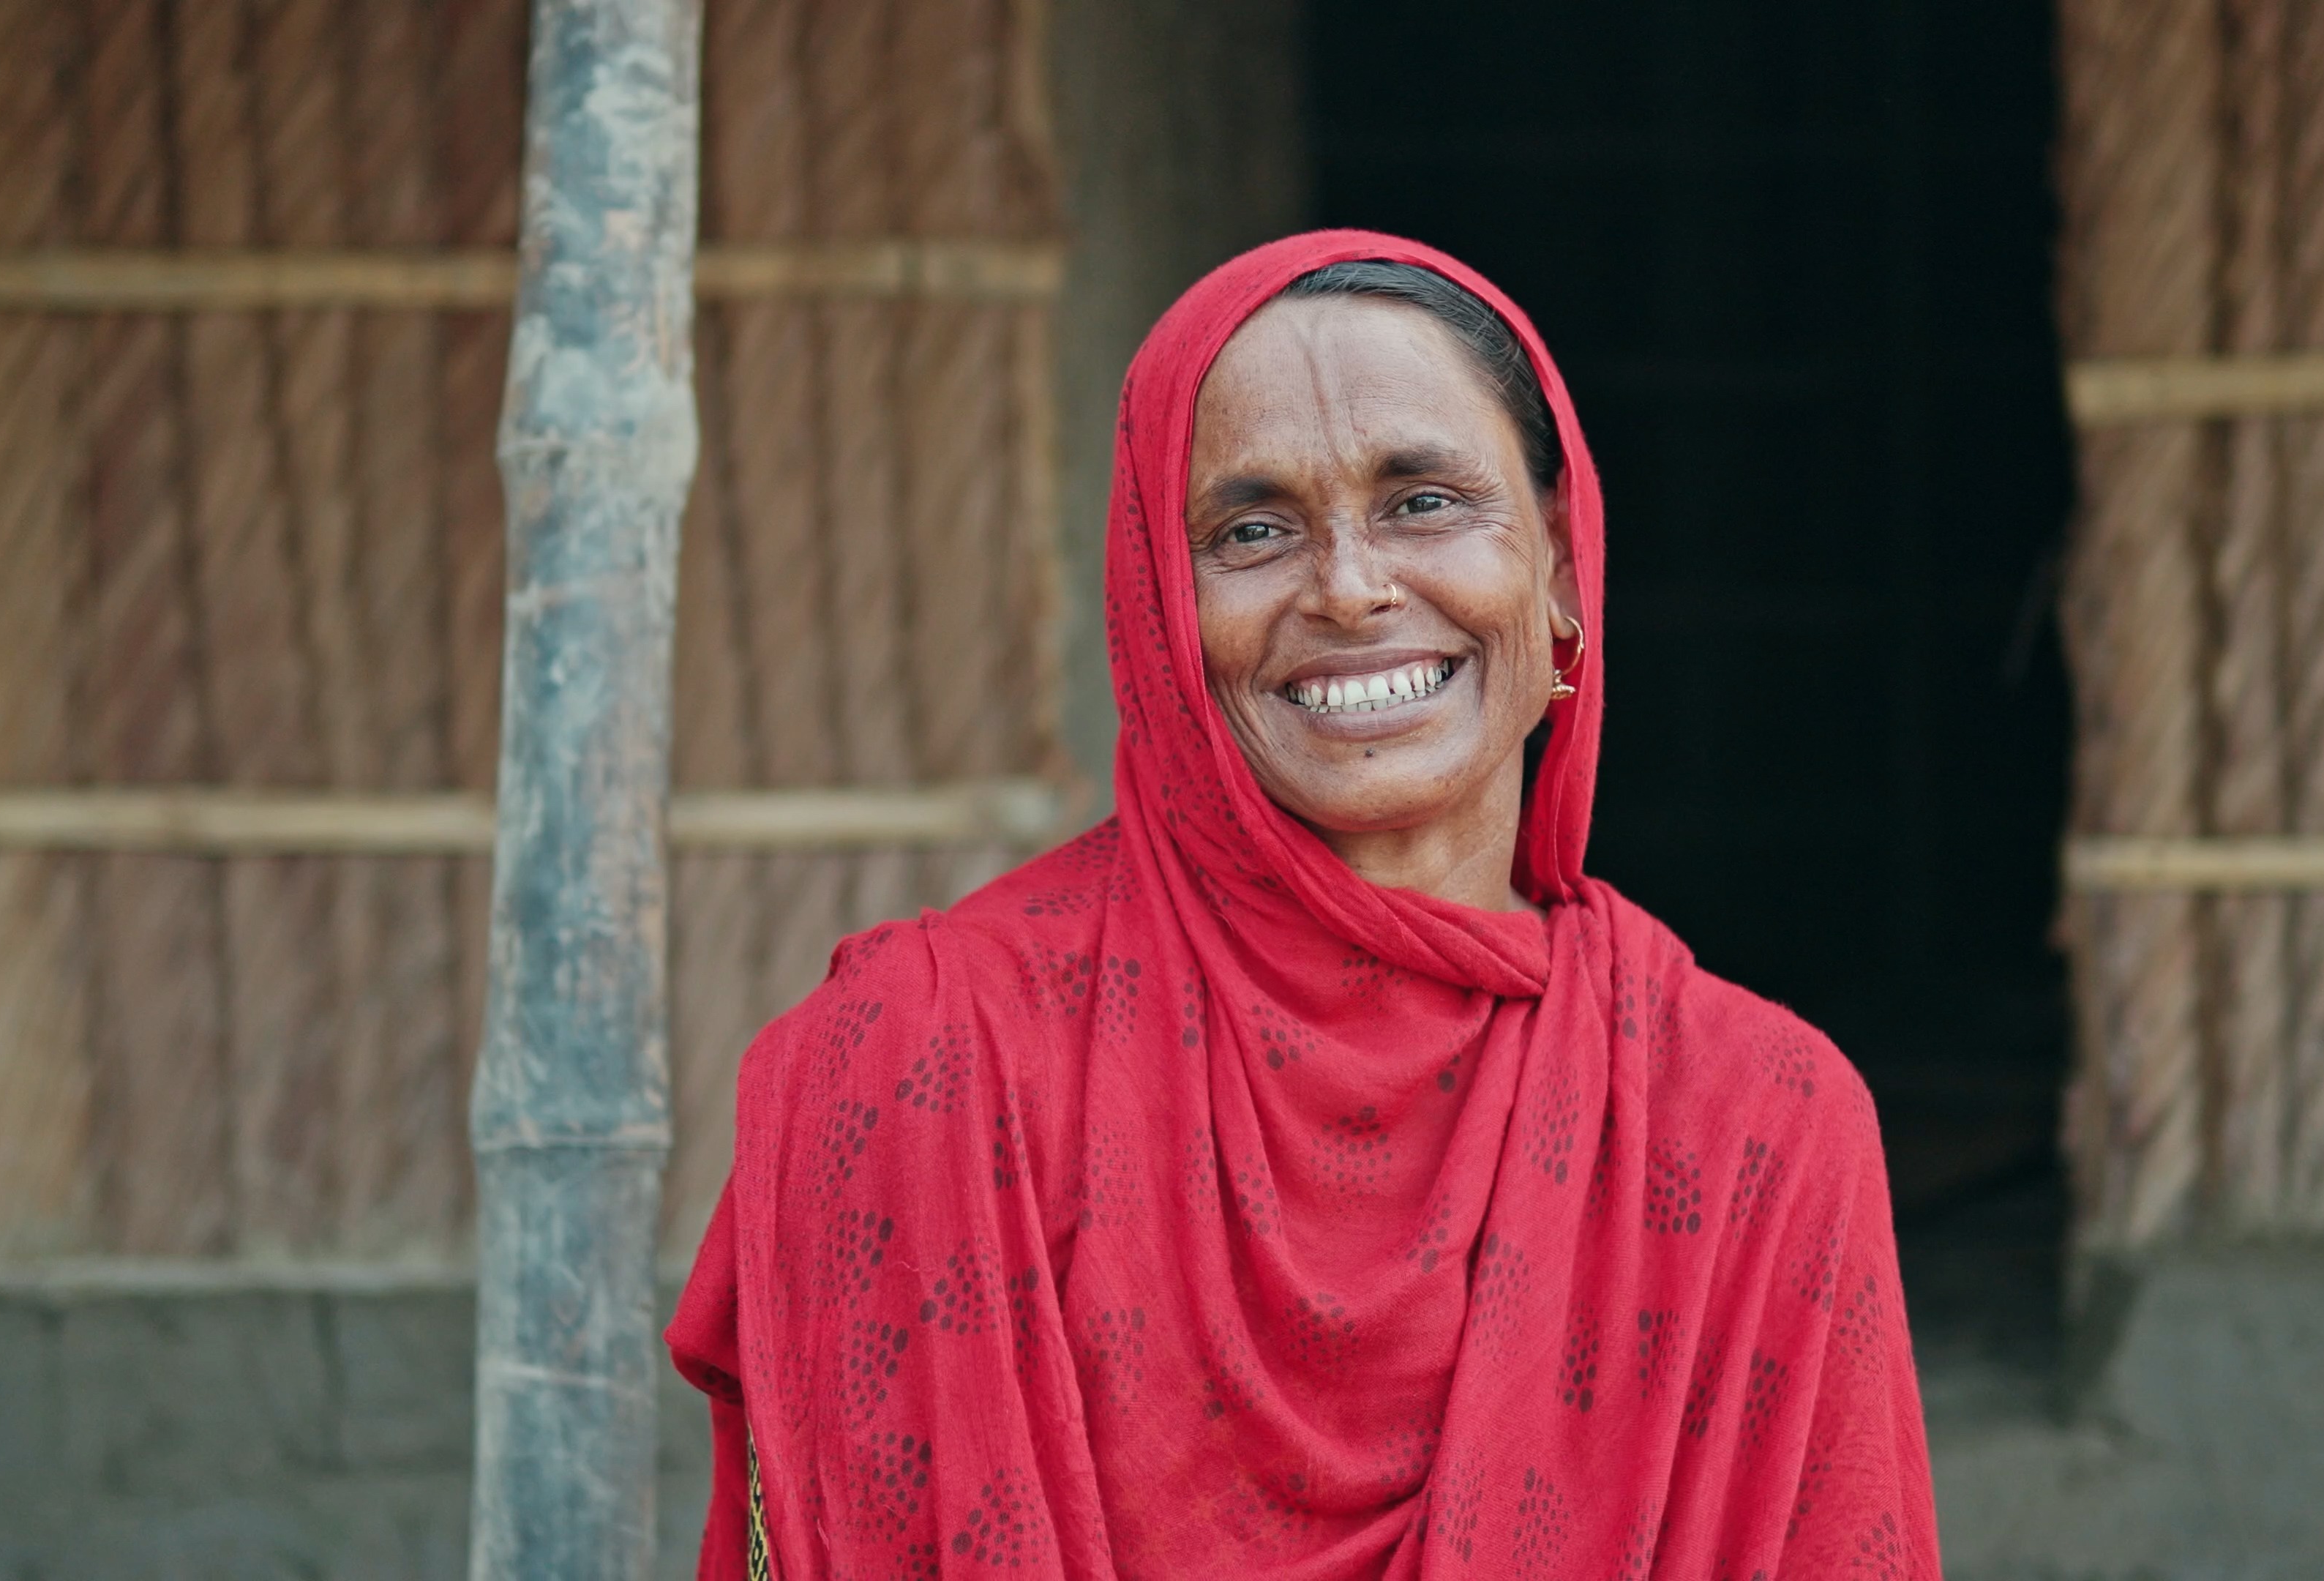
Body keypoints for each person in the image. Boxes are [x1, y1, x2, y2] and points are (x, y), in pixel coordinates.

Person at [668, 231, 1940, 1579]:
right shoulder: (919, 1061)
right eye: (1251, 531)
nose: (1348, 586)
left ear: (1563, 569)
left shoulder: (1755, 1122)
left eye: (1425, 502)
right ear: (1159, 611)